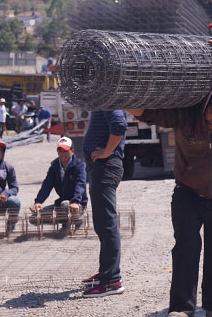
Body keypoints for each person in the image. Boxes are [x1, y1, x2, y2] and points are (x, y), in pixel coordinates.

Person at [127, 39, 212, 317]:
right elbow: (151, 114)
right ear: (207, 104)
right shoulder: (186, 115)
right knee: (186, 248)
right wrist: (121, 99)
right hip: (188, 194)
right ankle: (181, 308)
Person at [80, 110, 127, 298]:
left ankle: (112, 280)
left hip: (106, 166)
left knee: (107, 223)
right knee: (102, 223)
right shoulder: (105, 98)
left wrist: (107, 151)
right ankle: (106, 273)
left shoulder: (109, 99)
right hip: (103, 166)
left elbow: (119, 125)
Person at [29, 137, 87, 234]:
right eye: (60, 151)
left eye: (65, 151)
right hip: (62, 204)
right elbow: (47, 185)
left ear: (72, 151)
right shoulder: (55, 166)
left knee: (65, 204)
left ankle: (78, 221)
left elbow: (80, 184)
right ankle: (65, 221)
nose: (62, 154)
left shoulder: (80, 165)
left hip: (77, 204)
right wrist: (38, 202)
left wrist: (75, 201)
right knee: (35, 218)